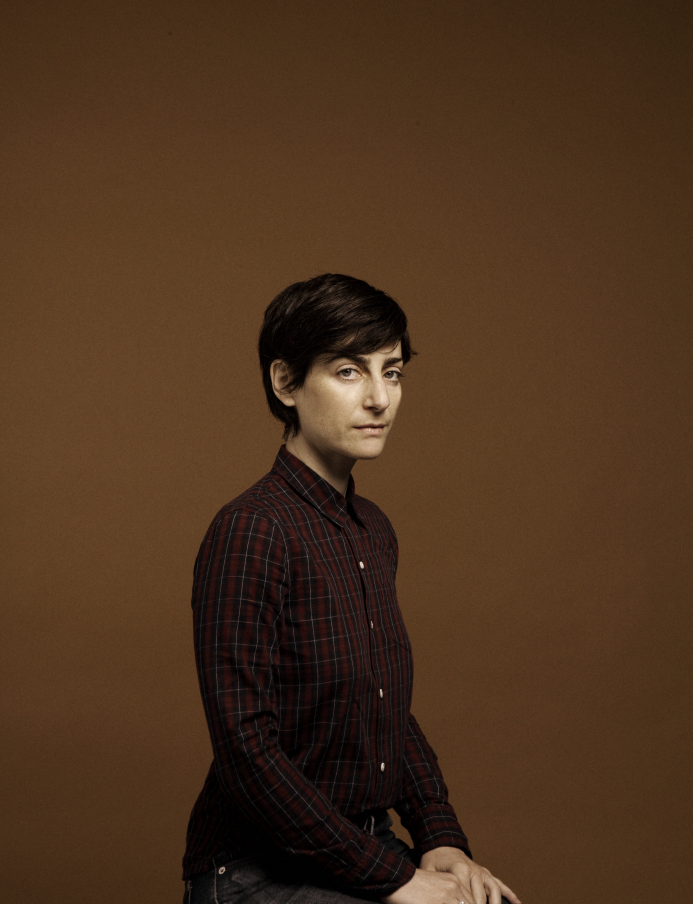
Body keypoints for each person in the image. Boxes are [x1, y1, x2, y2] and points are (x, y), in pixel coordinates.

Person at [182, 274, 520, 904]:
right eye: (348, 371)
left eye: (391, 372)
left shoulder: (373, 531)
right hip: (257, 871)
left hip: (361, 849)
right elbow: (245, 752)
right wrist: (397, 879)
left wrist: (440, 840)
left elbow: (380, 705)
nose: (379, 398)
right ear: (286, 382)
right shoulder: (252, 529)